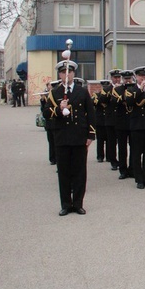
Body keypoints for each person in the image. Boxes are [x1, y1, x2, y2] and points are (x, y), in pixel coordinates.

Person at [43, 60, 95, 216]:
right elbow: (46, 113)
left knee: (79, 171)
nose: (67, 75)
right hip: (62, 136)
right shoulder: (55, 93)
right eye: (64, 72)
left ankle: (78, 203)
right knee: (64, 172)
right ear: (59, 74)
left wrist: (91, 134)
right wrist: (59, 109)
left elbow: (90, 114)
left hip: (79, 136)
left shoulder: (82, 91)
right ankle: (66, 204)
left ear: (74, 74)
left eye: (70, 72)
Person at [113, 69, 134, 180]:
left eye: (129, 78)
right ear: (122, 79)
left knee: (134, 147)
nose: (127, 81)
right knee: (122, 148)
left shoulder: (135, 89)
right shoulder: (117, 90)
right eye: (125, 79)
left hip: (133, 122)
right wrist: (123, 98)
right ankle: (123, 170)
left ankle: (132, 169)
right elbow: (113, 102)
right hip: (121, 122)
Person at [93, 79, 111, 163]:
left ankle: (108, 156)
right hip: (100, 121)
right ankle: (100, 156)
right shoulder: (96, 95)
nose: (105, 88)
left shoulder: (111, 95)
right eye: (104, 87)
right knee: (100, 140)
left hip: (107, 120)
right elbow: (95, 103)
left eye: (106, 87)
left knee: (108, 140)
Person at [41, 80, 59, 166]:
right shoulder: (48, 96)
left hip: (57, 123)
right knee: (51, 141)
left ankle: (58, 158)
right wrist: (42, 100)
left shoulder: (58, 96)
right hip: (49, 122)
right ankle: (52, 158)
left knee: (57, 142)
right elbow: (44, 110)